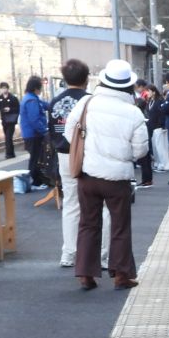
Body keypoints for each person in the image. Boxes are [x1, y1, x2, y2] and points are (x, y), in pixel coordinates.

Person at [64, 59, 149, 290]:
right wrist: (122, 155)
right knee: (120, 226)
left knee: (88, 223)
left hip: (88, 175)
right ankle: (121, 275)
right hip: (117, 179)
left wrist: (89, 151)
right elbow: (141, 150)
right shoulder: (133, 112)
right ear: (128, 85)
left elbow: (69, 131)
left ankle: (85, 274)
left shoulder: (87, 102)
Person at [49, 58, 109, 269]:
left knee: (71, 204)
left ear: (65, 79)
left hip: (64, 156)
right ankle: (101, 255)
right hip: (88, 155)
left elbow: (51, 132)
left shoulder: (55, 102)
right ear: (86, 79)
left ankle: (69, 253)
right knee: (101, 204)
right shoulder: (91, 101)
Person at [20, 75, 51, 187]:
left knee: (36, 158)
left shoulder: (31, 98)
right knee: (35, 159)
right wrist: (44, 131)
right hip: (33, 134)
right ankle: (35, 182)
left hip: (31, 134)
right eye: (40, 87)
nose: (41, 89)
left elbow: (46, 105)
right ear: (35, 88)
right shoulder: (31, 100)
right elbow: (34, 120)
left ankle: (37, 181)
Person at [133, 80, 154, 187]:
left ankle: (146, 180)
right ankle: (147, 180)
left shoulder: (138, 115)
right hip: (145, 136)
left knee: (144, 159)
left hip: (141, 138)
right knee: (146, 158)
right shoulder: (143, 113)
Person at [146, 79, 169, 172]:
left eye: (148, 91)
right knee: (155, 146)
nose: (147, 93)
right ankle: (157, 163)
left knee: (161, 147)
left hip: (159, 126)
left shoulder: (159, 100)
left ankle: (164, 165)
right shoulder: (150, 101)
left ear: (153, 92)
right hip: (152, 126)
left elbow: (163, 114)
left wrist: (163, 125)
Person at [0, 82, 20, 158]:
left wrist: (10, 109)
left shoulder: (13, 98)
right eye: (2, 88)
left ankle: (8, 154)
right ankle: (12, 153)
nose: (4, 90)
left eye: (5, 88)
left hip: (11, 120)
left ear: (7, 88)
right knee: (8, 137)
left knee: (8, 137)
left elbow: (18, 108)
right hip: (4, 120)